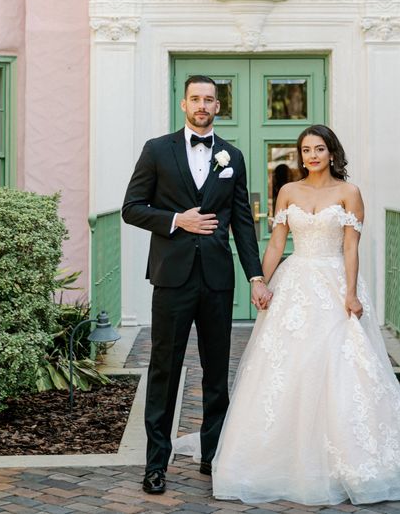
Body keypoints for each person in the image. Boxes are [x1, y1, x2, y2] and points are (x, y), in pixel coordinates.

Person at [174, 124, 400, 505]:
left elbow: (351, 248)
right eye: (306, 150)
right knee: (288, 367)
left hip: (334, 284)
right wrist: (260, 282)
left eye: (319, 149)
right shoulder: (288, 191)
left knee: (340, 367)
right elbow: (277, 244)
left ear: (332, 153)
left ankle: (346, 457)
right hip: (295, 284)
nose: (312, 156)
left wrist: (350, 293)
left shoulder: (349, 193)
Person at [122, 75, 272, 495]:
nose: (202, 105)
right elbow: (131, 208)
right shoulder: (157, 150)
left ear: (218, 106)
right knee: (164, 370)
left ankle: (212, 456)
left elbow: (242, 221)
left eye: (209, 99)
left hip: (217, 280)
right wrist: (177, 220)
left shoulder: (232, 156)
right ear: (184, 104)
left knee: (216, 372)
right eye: (195, 99)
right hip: (172, 278)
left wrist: (255, 275)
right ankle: (156, 464)